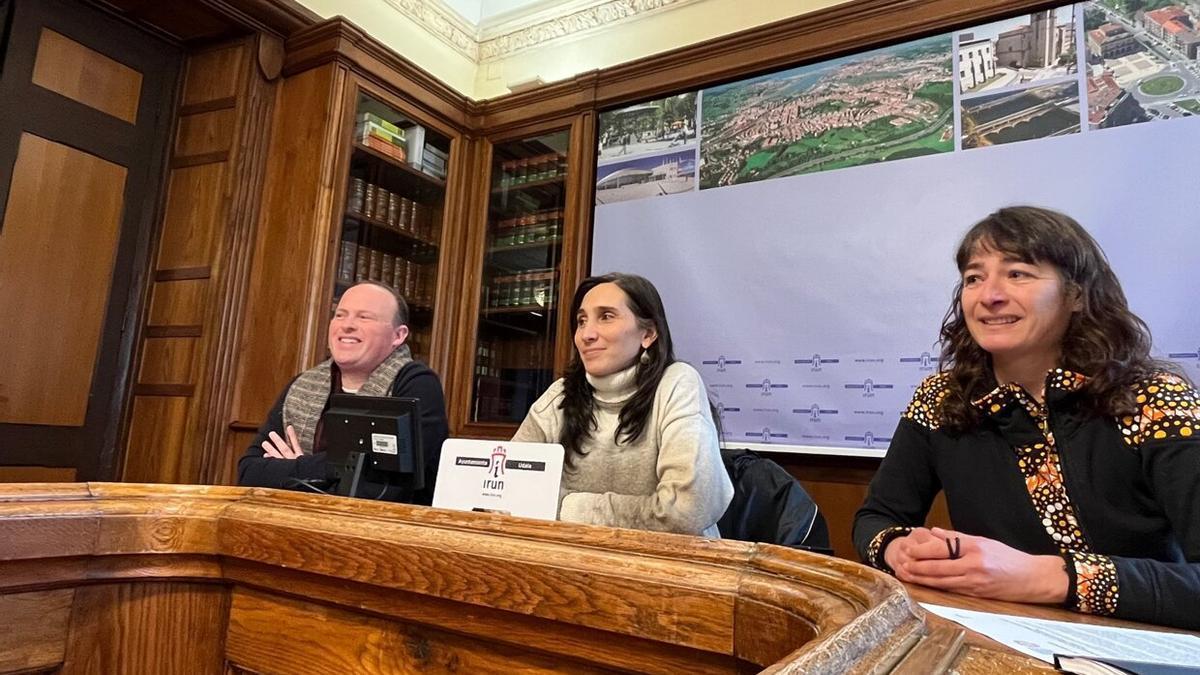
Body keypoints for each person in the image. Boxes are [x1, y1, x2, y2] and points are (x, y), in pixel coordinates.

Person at [854, 206, 1200, 630]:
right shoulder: (941, 400)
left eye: (1017, 273)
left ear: (1076, 295)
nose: (989, 295)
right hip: (997, 637)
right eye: (974, 278)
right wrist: (898, 549)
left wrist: (1049, 577)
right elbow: (876, 518)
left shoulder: (1153, 399)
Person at [512, 273, 733, 536]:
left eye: (606, 316)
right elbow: (508, 490)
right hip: (579, 562)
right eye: (582, 321)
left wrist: (570, 508)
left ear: (648, 334)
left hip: (671, 567)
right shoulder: (559, 395)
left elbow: (685, 511)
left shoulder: (676, 383)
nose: (586, 334)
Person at [238, 281, 448, 504]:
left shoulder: (416, 384)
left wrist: (293, 470)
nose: (347, 325)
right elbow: (249, 471)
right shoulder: (303, 384)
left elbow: (380, 491)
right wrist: (337, 470)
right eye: (340, 315)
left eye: (364, 317)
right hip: (295, 526)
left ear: (398, 335)